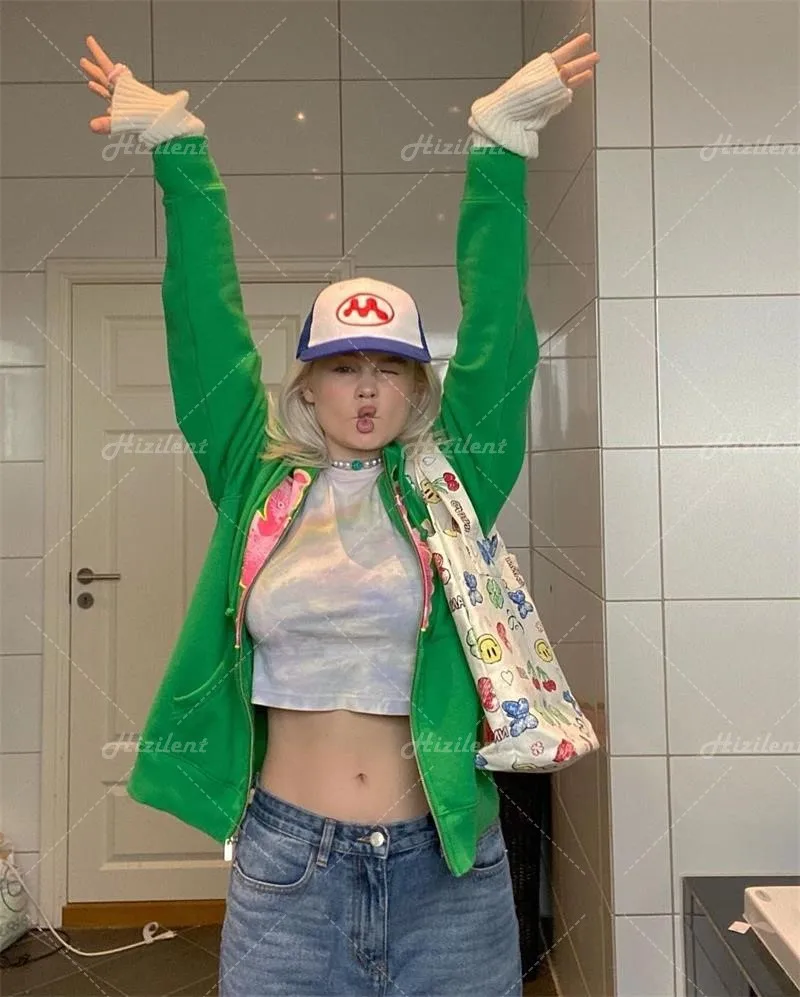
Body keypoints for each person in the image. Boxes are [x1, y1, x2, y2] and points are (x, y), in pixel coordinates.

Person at [81, 30, 597, 997]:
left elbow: (497, 341)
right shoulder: (256, 480)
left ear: (417, 389)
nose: (366, 390)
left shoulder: (451, 486)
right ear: (307, 387)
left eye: (389, 369)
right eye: (343, 368)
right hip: (290, 872)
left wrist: (498, 152)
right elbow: (206, 334)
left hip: (448, 873)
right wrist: (181, 154)